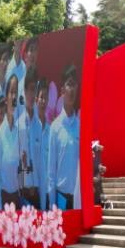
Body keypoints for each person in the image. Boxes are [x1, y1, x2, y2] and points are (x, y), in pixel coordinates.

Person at [45, 67, 80, 210]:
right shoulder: (55, 127)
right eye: (69, 84)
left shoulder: (80, 126)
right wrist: (52, 204)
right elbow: (51, 172)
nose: (72, 90)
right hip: (61, 200)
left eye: (74, 85)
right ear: (62, 91)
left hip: (78, 198)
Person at [0, 96, 18, 208]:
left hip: (13, 196)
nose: (2, 117)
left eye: (4, 114)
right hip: (0, 198)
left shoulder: (15, 135)